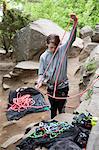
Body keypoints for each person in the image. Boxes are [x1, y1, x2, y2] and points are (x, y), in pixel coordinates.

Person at [35, 14, 78, 119]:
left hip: (62, 87)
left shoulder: (63, 50)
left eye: (55, 47)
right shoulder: (43, 57)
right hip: (50, 88)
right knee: (53, 110)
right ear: (46, 44)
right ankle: (54, 126)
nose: (53, 50)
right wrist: (40, 81)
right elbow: (41, 73)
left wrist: (75, 23)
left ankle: (63, 124)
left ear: (59, 45)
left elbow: (71, 38)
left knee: (61, 109)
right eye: (51, 47)